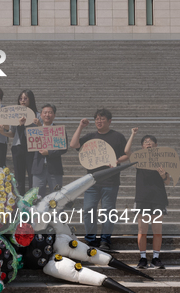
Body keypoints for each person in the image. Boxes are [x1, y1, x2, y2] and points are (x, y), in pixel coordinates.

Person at [70, 108, 128, 251]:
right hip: (92, 181)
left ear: (109, 121)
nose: (99, 121)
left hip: (110, 181)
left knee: (108, 212)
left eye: (102, 119)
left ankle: (105, 240)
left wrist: (116, 161)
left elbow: (126, 155)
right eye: (97, 119)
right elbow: (73, 145)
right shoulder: (90, 137)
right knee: (88, 209)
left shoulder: (118, 137)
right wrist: (80, 126)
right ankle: (90, 239)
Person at [125, 128, 170, 269]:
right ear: (142, 146)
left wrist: (163, 175)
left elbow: (168, 181)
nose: (148, 144)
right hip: (142, 199)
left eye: (151, 142)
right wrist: (133, 134)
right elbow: (126, 152)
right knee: (142, 230)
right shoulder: (139, 159)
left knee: (157, 230)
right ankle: (143, 258)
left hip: (158, 199)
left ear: (156, 146)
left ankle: (156, 258)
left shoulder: (163, 159)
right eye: (145, 142)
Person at [0, 89, 40, 195]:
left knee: (32, 175)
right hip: (18, 147)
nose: (23, 101)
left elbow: (44, 133)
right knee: (19, 175)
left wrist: (39, 124)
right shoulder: (15, 115)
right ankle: (20, 199)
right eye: (21, 98)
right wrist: (3, 132)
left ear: (31, 100)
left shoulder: (37, 115)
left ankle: (31, 198)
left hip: (32, 148)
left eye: (25, 98)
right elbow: (12, 133)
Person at [31, 104, 67, 197]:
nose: (47, 115)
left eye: (50, 112)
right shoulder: (34, 131)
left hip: (54, 168)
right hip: (38, 168)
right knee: (36, 198)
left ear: (54, 115)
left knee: (57, 197)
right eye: (45, 112)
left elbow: (63, 149)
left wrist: (49, 152)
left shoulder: (59, 131)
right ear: (41, 115)